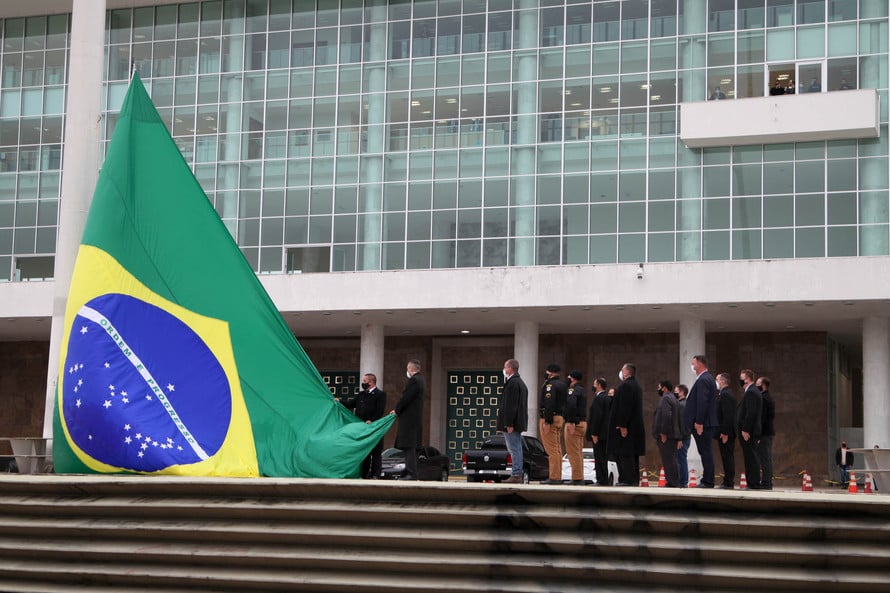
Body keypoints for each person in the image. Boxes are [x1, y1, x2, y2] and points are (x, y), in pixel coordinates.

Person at [338, 372, 386, 479]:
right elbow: (351, 404)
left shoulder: (380, 395)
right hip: (362, 429)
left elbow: (380, 412)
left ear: (371, 382)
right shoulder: (361, 394)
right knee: (365, 452)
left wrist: (372, 421)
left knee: (376, 452)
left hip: (374, 428)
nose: (363, 383)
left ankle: (375, 475)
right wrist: (339, 401)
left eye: (364, 381)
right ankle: (364, 475)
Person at [608, 363, 645, 486]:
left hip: (627, 428)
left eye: (622, 370)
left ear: (626, 372)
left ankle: (628, 480)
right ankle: (634, 480)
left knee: (626, 454)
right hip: (635, 427)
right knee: (633, 455)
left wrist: (622, 425)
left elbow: (625, 407)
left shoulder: (626, 386)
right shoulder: (636, 386)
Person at [684, 355, 718, 488]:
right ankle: (708, 479)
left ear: (700, 364)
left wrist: (699, 422)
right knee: (705, 451)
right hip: (705, 422)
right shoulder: (706, 379)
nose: (692, 366)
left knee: (706, 452)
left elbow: (702, 402)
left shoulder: (704, 379)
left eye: (694, 363)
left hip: (703, 424)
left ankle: (708, 481)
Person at [389, 359, 425, 480]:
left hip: (409, 419)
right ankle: (410, 472)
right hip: (415, 419)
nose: (407, 371)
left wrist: (397, 410)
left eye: (407, 368)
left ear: (411, 369)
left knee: (409, 445)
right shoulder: (421, 380)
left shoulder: (414, 380)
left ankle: (411, 473)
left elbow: (406, 398)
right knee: (412, 447)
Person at [497, 358, 529, 484]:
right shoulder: (520, 383)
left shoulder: (513, 384)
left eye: (505, 367)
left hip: (512, 423)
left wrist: (509, 423)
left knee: (514, 448)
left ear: (510, 369)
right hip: (517, 422)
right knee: (517, 448)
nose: (504, 369)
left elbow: (511, 406)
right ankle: (517, 473)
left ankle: (516, 474)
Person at [539, 363, 567, 484]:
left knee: (551, 449)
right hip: (560, 416)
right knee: (557, 448)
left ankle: (554, 477)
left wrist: (547, 420)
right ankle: (558, 475)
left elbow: (549, 403)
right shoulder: (562, 384)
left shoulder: (550, 385)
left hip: (551, 417)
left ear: (550, 372)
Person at [653, 380, 682, 488]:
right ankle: (673, 481)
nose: (658, 389)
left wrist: (663, 433)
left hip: (667, 435)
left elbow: (666, 416)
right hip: (673, 434)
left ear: (664, 388)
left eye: (659, 387)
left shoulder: (666, 398)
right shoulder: (674, 398)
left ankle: (672, 482)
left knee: (668, 459)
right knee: (671, 459)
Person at [737, 369, 762, 488]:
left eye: (742, 378)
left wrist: (745, 429)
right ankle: (752, 482)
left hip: (749, 432)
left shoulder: (751, 392)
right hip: (749, 431)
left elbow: (751, 413)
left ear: (747, 379)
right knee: (749, 456)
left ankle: (753, 482)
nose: (740, 380)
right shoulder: (751, 391)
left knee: (751, 457)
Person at [564, 370, 588, 485]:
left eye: (569, 377)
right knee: (578, 452)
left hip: (575, 423)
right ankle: (579, 476)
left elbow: (571, 404)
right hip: (582, 422)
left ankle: (577, 478)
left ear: (573, 378)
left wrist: (571, 421)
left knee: (573, 452)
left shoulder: (573, 390)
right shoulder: (582, 389)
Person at [586, 377, 611, 486]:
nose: (593, 386)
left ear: (599, 385)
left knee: (599, 457)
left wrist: (594, 433)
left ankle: (601, 479)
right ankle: (603, 478)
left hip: (599, 434)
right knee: (603, 457)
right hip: (606, 434)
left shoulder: (599, 399)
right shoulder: (608, 398)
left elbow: (597, 417)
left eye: (594, 384)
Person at [714, 372, 737, 489]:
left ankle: (728, 482)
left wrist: (725, 432)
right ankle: (728, 481)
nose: (715, 382)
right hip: (726, 431)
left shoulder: (726, 394)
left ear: (723, 381)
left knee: (727, 457)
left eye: (717, 380)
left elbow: (728, 415)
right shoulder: (725, 393)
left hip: (726, 432)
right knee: (727, 456)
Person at [756, 376, 775, 490]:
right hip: (768, 433)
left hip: (764, 433)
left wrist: (758, 434)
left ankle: (766, 483)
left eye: (758, 383)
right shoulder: (769, 397)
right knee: (766, 458)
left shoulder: (763, 398)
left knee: (764, 459)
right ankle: (767, 482)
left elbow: (761, 418)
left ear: (763, 385)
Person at [674, 384, 691, 487]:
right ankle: (682, 481)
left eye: (676, 391)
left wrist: (679, 438)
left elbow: (681, 423)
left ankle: (683, 482)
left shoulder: (682, 405)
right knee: (681, 459)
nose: (674, 393)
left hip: (682, 438)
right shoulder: (684, 404)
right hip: (684, 437)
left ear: (681, 392)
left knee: (681, 459)